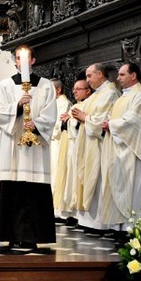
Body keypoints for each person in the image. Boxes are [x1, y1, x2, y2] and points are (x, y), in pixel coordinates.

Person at [0, 45, 58, 250]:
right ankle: (13, 235)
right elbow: (0, 113)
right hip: (13, 147)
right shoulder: (5, 85)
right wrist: (18, 107)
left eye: (26, 58)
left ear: (33, 61)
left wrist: (37, 124)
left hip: (36, 149)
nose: (23, 62)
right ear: (16, 62)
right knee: (13, 189)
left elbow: (51, 113)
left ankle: (34, 236)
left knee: (35, 190)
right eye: (19, 59)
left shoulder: (46, 86)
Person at [101, 63, 141, 227]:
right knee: (122, 188)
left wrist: (111, 125)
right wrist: (111, 123)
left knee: (136, 191)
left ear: (133, 75)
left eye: (122, 75)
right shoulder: (124, 97)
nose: (118, 78)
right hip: (121, 150)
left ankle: (136, 230)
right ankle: (121, 229)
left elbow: (134, 121)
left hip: (136, 153)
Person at [71, 62, 120, 234]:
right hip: (88, 143)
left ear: (100, 74)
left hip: (99, 145)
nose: (87, 80)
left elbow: (104, 121)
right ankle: (88, 221)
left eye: (90, 76)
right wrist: (78, 117)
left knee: (99, 179)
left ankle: (99, 222)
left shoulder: (111, 93)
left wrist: (85, 117)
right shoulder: (96, 95)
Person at [55, 79, 92, 225]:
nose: (74, 91)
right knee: (69, 178)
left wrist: (69, 121)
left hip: (80, 146)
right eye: (74, 89)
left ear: (87, 91)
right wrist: (66, 121)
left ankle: (77, 213)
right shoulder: (75, 106)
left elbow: (81, 124)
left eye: (79, 89)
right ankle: (69, 210)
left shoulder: (88, 105)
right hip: (69, 145)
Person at [49, 78, 72, 219]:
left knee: (57, 174)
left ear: (58, 90)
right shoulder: (53, 103)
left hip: (57, 143)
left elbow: (58, 126)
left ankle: (57, 210)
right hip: (50, 143)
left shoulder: (64, 103)